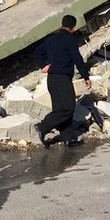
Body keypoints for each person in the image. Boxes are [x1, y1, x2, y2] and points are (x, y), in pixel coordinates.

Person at [34, 14, 92, 147]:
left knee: (60, 107)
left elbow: (37, 52)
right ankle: (43, 127)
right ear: (73, 27)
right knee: (67, 108)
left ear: (62, 24)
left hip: (52, 78)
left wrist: (43, 65)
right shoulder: (69, 39)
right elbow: (77, 59)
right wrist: (86, 76)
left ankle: (68, 138)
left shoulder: (51, 38)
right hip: (62, 78)